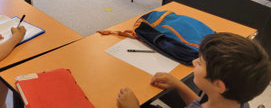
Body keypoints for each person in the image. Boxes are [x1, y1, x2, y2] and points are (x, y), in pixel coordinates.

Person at [116, 33, 271, 108]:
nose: (193, 61)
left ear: (218, 85)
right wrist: (179, 85)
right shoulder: (237, 100)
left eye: (200, 63)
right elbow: (198, 105)